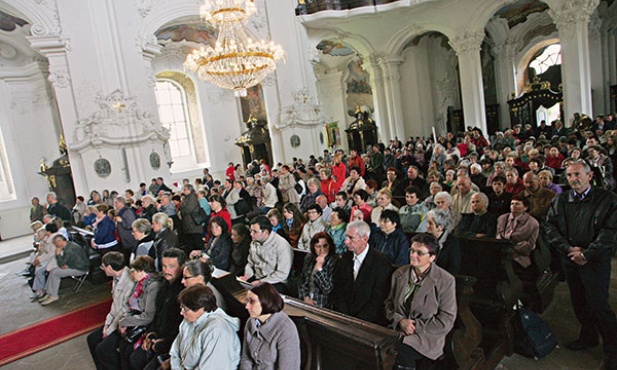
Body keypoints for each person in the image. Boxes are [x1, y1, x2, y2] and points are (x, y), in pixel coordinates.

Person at [546, 160, 617, 369]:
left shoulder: (607, 199)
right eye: (569, 175)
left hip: (595, 261)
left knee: (598, 304)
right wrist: (568, 249)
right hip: (570, 259)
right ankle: (588, 336)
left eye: (577, 174)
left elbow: (610, 233)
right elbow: (550, 227)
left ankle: (612, 349)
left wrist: (587, 254)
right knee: (578, 301)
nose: (573, 179)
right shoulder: (561, 200)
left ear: (589, 176)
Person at [385, 233, 457, 370]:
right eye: (412, 250)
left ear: (432, 257)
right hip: (397, 330)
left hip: (427, 337)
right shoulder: (399, 274)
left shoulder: (445, 280)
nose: (413, 255)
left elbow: (447, 319)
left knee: (400, 352)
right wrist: (400, 321)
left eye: (419, 253)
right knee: (378, 348)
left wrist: (415, 326)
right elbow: (389, 305)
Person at [125, 248, 186, 370]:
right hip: (156, 335)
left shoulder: (184, 292)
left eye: (171, 266)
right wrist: (151, 335)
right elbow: (156, 313)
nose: (166, 270)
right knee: (130, 354)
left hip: (170, 343)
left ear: (182, 267)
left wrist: (161, 343)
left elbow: (180, 328)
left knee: (137, 360)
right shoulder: (163, 284)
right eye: (164, 266)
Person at [331, 221, 393, 326]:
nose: (346, 241)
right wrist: (344, 316)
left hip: (368, 323)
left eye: (351, 238)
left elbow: (377, 300)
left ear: (365, 239)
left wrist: (357, 321)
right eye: (346, 237)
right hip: (343, 318)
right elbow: (338, 289)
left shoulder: (381, 263)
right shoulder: (345, 258)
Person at [170, 285, 240, 370]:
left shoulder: (217, 330)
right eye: (182, 308)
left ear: (201, 308)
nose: (181, 312)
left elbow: (211, 367)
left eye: (185, 309)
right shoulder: (188, 321)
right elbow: (175, 352)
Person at [87, 252, 136, 370]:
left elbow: (125, 310)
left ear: (109, 267)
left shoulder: (130, 281)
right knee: (91, 339)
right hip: (115, 319)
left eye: (102, 266)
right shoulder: (116, 278)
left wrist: (109, 330)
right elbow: (114, 306)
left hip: (126, 322)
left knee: (103, 349)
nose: (102, 269)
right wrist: (107, 324)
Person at [240, 282, 301, 370]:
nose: (247, 306)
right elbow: (246, 359)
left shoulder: (286, 329)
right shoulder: (250, 322)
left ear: (266, 301)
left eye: (252, 301)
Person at [241, 216, 294, 294]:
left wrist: (260, 282)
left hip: (275, 281)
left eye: (255, 231)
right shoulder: (254, 242)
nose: (251, 234)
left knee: (258, 295)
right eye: (250, 231)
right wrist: (246, 275)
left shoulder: (281, 245)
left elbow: (282, 274)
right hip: (258, 277)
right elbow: (250, 263)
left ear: (265, 232)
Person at [38, 234, 89, 305]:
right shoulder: (69, 245)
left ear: (60, 242)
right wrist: (65, 264)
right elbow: (63, 264)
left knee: (56, 273)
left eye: (56, 244)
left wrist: (58, 254)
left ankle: (54, 295)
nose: (56, 246)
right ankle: (49, 293)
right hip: (74, 266)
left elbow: (61, 264)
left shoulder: (69, 249)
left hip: (80, 269)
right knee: (53, 270)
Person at [496, 195, 539, 270]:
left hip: (520, 256)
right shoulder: (502, 218)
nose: (513, 206)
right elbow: (498, 236)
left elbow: (530, 244)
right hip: (501, 252)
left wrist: (512, 248)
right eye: (512, 204)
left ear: (525, 207)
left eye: (517, 204)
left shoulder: (533, 223)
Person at [298, 232, 338, 308]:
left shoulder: (334, 261)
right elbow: (302, 280)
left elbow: (327, 289)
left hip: (323, 304)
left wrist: (319, 268)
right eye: (318, 246)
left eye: (325, 246)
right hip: (305, 300)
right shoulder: (309, 257)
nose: (322, 249)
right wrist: (305, 297)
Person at [426, 209, 461, 276]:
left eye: (430, 223)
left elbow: (453, 268)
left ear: (440, 227)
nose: (427, 226)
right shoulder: (425, 237)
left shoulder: (452, 242)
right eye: (427, 222)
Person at [179, 184, 204, 253]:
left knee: (197, 242)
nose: (183, 191)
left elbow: (189, 209)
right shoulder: (187, 197)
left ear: (189, 190)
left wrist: (181, 211)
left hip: (193, 225)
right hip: (188, 225)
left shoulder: (192, 197)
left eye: (185, 190)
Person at [114, 197, 138, 261]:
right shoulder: (120, 212)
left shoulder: (128, 212)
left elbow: (132, 224)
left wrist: (121, 221)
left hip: (129, 240)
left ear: (121, 203)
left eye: (116, 202)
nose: (115, 204)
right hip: (123, 240)